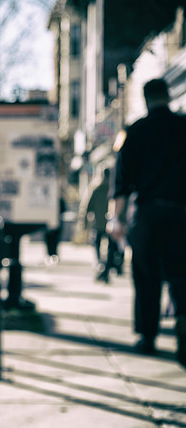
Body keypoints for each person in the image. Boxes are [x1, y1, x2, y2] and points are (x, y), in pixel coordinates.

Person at [108, 78, 186, 368]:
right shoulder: (183, 126)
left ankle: (147, 336)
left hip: (147, 214)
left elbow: (122, 183)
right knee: (182, 275)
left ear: (145, 99)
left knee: (146, 276)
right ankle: (183, 320)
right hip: (180, 212)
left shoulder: (136, 131)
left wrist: (116, 218)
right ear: (168, 96)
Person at [84, 168, 121, 283]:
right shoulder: (113, 188)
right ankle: (106, 269)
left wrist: (84, 223)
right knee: (111, 248)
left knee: (97, 244)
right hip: (111, 222)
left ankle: (100, 262)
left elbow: (87, 207)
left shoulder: (96, 188)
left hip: (98, 224)